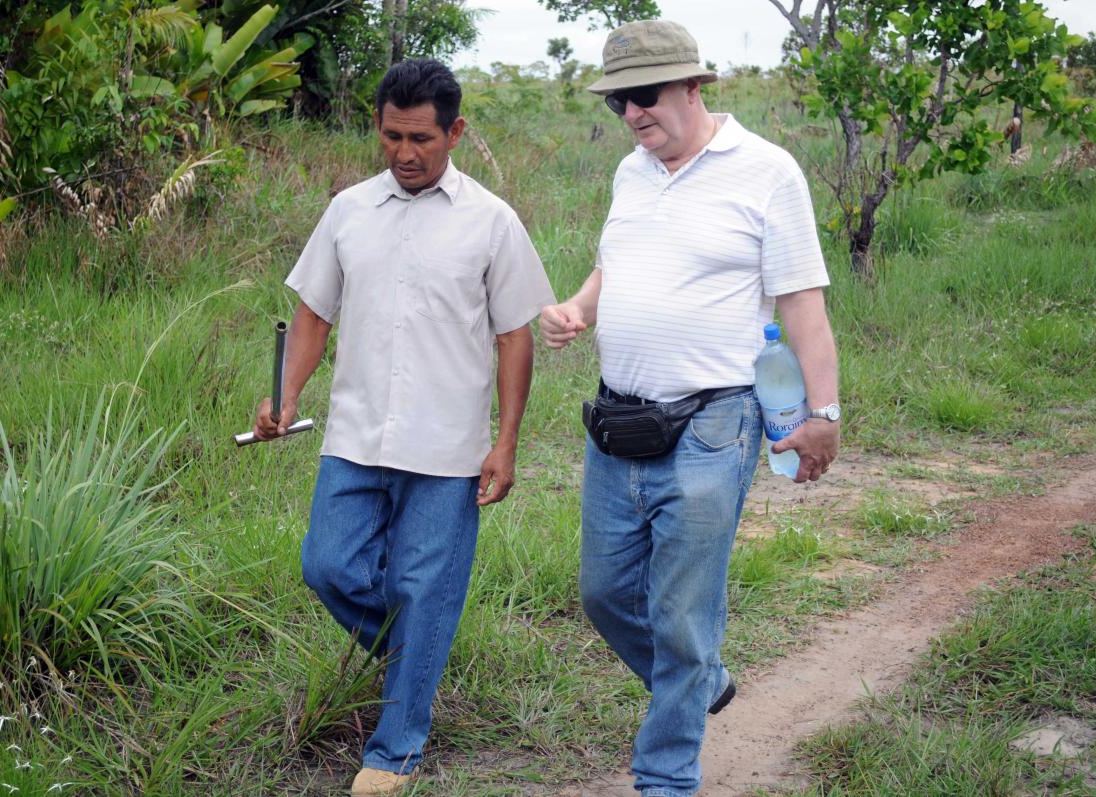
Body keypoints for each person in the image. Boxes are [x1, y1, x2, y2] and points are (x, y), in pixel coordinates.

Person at [539, 20, 841, 797]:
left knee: (680, 613)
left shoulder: (768, 172)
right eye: (619, 103)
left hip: (714, 426)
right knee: (604, 595)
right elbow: (616, 263)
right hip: (618, 422)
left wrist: (824, 412)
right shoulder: (631, 174)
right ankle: (699, 680)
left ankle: (665, 775)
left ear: (692, 86)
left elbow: (802, 304)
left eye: (645, 96)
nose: (633, 114)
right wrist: (578, 305)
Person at [253, 58, 555, 796]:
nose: (405, 153)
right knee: (326, 564)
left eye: (421, 137)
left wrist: (506, 440)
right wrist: (286, 396)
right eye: (391, 136)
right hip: (354, 435)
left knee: (424, 588)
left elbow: (515, 335)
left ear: (454, 131)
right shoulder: (349, 210)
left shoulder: (492, 221)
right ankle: (413, 664)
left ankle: (395, 749)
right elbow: (314, 313)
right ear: (378, 128)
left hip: (448, 447)